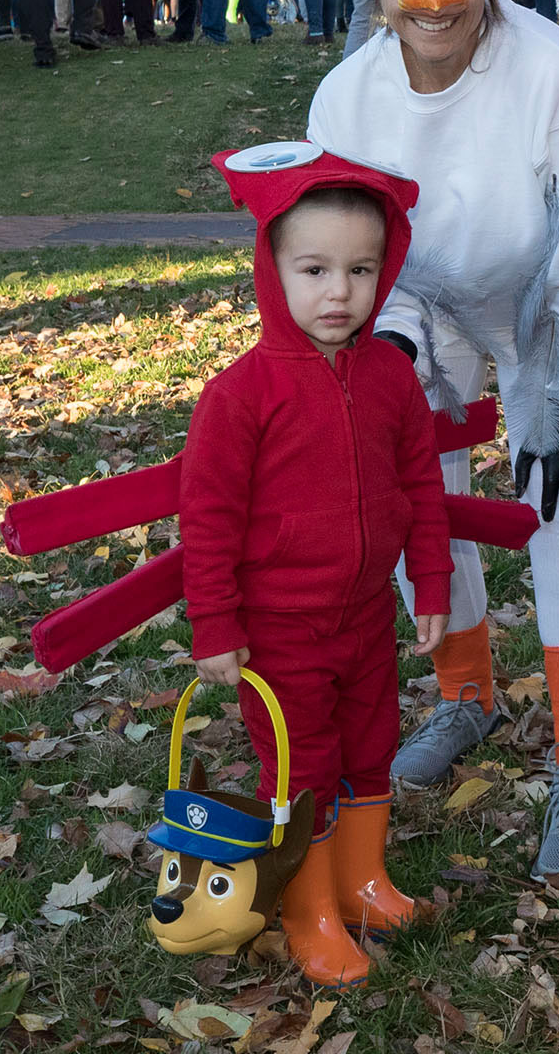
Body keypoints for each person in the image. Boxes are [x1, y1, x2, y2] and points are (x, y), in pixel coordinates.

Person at [306, 0, 559, 880]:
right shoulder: (345, 99)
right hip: (423, 305)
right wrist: (385, 360)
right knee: (417, 499)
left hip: (546, 303)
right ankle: (466, 694)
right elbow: (350, 257)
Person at [181, 144, 451, 987]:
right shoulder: (242, 395)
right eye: (315, 269)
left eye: (362, 270)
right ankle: (309, 910)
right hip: (280, 633)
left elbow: (420, 483)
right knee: (305, 767)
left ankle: (364, 883)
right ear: (272, 271)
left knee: (373, 744)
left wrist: (431, 583)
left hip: (367, 616)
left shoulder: (388, 380)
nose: (339, 292)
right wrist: (217, 626)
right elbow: (210, 520)